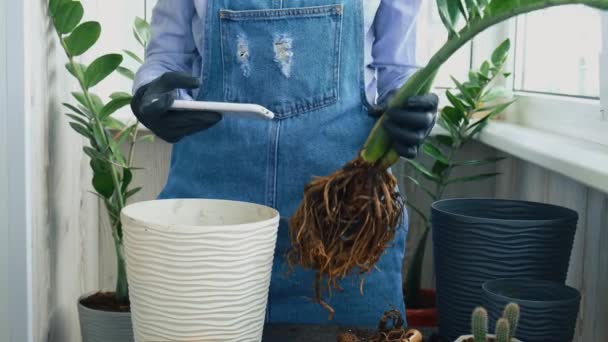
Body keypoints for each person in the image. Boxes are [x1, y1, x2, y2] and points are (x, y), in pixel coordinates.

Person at [131, 0, 438, 327]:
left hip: (345, 233)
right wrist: (150, 92)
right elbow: (167, 57)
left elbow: (400, 69)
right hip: (210, 235)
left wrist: (411, 107)